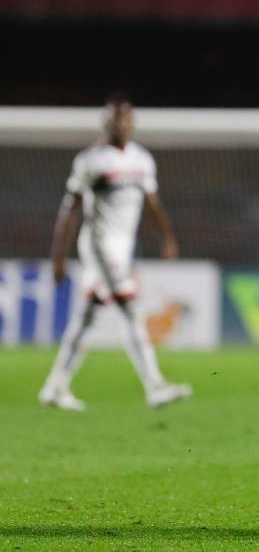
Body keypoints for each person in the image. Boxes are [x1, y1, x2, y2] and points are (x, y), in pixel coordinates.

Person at [39, 94, 191, 411]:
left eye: (126, 119)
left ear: (132, 123)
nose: (121, 124)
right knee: (130, 310)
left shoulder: (142, 160)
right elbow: (70, 210)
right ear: (106, 123)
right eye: (115, 119)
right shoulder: (91, 161)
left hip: (122, 247)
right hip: (97, 244)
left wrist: (167, 236)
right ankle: (155, 386)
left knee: (88, 317)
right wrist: (58, 257)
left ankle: (55, 386)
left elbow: (152, 203)